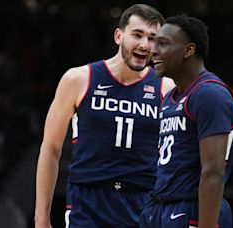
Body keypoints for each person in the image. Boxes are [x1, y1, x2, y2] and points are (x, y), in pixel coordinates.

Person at [35, 4, 175, 228]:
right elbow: (51, 148)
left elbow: (177, 156)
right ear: (119, 36)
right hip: (88, 203)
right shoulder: (79, 79)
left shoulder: (166, 88)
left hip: (142, 203)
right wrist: (41, 218)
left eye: (152, 38)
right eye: (137, 35)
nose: (144, 44)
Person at [139, 14, 233, 228]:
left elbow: (213, 173)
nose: (153, 51)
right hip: (160, 208)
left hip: (192, 211)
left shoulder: (209, 94)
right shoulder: (169, 97)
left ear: (188, 50)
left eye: (163, 44)